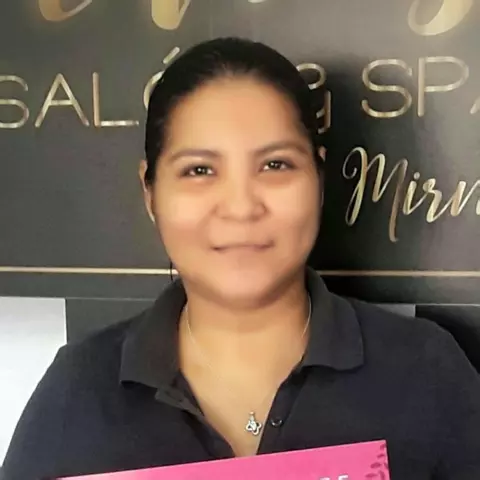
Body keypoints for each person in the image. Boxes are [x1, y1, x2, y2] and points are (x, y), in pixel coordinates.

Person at [2, 37, 480, 480]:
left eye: (275, 164)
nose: (240, 207)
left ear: (318, 179)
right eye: (199, 170)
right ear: (150, 192)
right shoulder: (78, 388)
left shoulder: (426, 370)